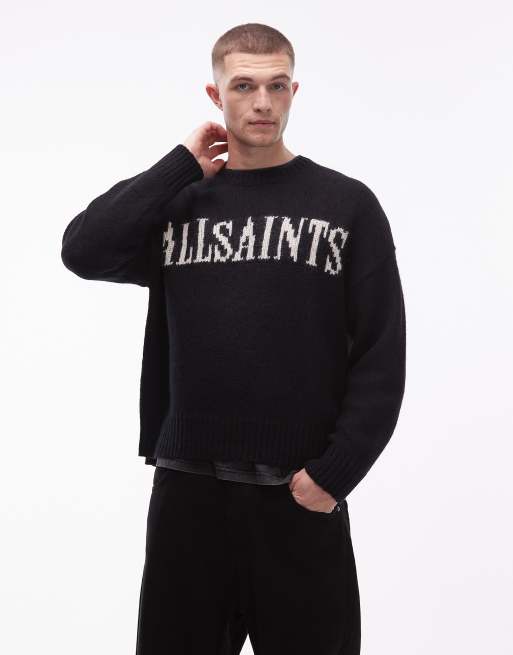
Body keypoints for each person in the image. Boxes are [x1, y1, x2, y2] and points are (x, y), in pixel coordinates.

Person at [61, 22, 406, 655]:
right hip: (188, 498)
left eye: (277, 86)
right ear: (215, 95)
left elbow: (382, 353)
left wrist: (334, 475)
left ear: (295, 90)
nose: (262, 102)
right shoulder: (181, 204)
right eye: (243, 86)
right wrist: (178, 166)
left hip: (298, 495)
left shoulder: (345, 205)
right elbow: (84, 250)